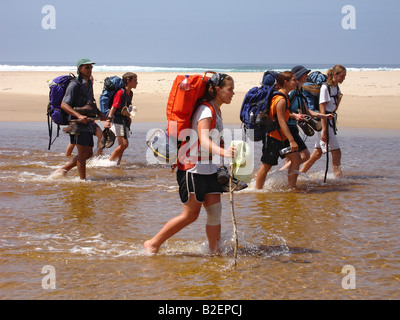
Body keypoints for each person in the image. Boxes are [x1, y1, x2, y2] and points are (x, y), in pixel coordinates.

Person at [144, 73, 236, 254]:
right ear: (218, 89)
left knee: (215, 211)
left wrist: (223, 150)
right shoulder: (206, 110)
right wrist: (223, 151)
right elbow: (202, 140)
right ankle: (153, 243)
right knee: (190, 215)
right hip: (193, 169)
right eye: (230, 89)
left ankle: (214, 251)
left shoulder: (216, 110)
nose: (233, 93)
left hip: (209, 169)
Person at [54, 58, 103, 180]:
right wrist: (79, 115)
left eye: (91, 67)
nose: (90, 69)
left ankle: (63, 169)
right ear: (80, 69)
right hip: (76, 123)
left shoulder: (89, 84)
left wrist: (101, 114)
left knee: (89, 153)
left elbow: (91, 102)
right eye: (87, 67)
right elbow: (64, 105)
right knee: (82, 154)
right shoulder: (74, 85)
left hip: (88, 122)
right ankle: (83, 181)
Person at [280, 65, 334, 171]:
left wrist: (324, 116)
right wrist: (295, 115)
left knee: (290, 158)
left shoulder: (299, 92)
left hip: (292, 128)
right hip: (287, 128)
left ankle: (286, 180)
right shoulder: (292, 92)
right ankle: (277, 176)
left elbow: (307, 111)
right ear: (298, 76)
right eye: (304, 74)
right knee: (304, 155)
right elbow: (282, 112)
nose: (307, 76)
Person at [255, 71, 301, 190]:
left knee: (296, 158)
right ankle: (257, 190)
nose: (296, 82)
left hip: (282, 136)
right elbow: (281, 121)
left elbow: (282, 115)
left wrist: (294, 115)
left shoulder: (284, 97)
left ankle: (292, 188)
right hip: (272, 137)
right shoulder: (280, 99)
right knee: (266, 166)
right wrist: (292, 140)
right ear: (285, 82)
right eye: (294, 80)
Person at [300, 65, 346, 178]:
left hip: (330, 122)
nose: (344, 78)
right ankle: (338, 179)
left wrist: (339, 99)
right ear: (335, 75)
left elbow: (333, 109)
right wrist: (324, 130)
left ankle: (299, 174)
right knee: (337, 152)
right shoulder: (326, 88)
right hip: (324, 123)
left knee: (317, 153)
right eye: (342, 76)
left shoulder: (336, 88)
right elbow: (322, 109)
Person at [104, 72, 138, 164]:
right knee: (124, 144)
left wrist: (129, 116)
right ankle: (109, 162)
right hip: (117, 121)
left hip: (124, 120)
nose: (137, 83)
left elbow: (128, 105)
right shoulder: (120, 93)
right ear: (128, 81)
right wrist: (108, 120)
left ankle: (117, 163)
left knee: (121, 145)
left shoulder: (130, 93)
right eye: (135, 81)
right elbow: (114, 107)